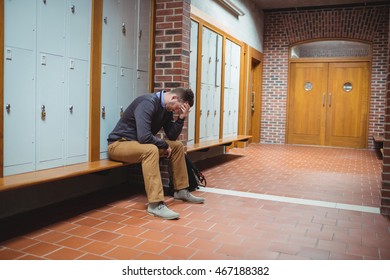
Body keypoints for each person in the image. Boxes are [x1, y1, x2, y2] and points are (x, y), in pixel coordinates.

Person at [107, 88, 205, 220]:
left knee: (176, 146)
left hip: (138, 145)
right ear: (174, 98)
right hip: (119, 145)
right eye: (178, 108)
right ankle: (155, 204)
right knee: (151, 150)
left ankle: (181, 191)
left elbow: (171, 135)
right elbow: (144, 137)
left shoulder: (166, 109)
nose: (177, 111)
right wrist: (163, 145)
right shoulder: (147, 103)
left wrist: (181, 118)